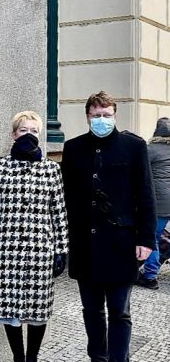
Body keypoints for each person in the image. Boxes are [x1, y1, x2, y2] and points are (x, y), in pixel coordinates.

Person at [61, 91, 156, 362]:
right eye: (96, 115)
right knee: (91, 311)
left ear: (115, 115)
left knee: (119, 311)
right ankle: (97, 358)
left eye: (107, 115)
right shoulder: (73, 148)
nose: (102, 119)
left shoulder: (134, 147)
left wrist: (146, 240)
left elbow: (145, 195)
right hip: (85, 245)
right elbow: (66, 197)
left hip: (121, 243)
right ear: (87, 117)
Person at [0, 111, 68, 362]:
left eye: (34, 131)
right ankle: (18, 357)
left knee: (38, 310)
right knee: (10, 309)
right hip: (6, 251)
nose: (29, 135)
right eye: (24, 130)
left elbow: (59, 213)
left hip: (41, 250)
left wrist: (61, 250)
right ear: (14, 134)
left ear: (40, 136)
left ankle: (32, 358)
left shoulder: (51, 169)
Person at [136, 117, 170, 290]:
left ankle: (149, 275)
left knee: (153, 237)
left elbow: (139, 171)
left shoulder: (150, 150)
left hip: (161, 204)